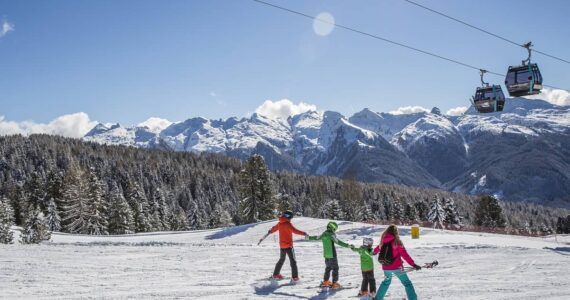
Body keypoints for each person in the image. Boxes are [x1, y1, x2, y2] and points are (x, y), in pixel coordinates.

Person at [373, 225, 422, 300]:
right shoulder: (397, 242)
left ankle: (378, 298)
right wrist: (413, 265)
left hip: (386, 267)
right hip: (397, 267)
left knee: (386, 282)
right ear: (396, 232)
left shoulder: (383, 241)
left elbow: (375, 251)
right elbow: (405, 255)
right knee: (407, 283)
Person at [266, 210, 307, 282]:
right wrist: (304, 233)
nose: (290, 219)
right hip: (288, 246)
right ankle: (295, 278)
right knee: (293, 261)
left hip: (282, 246)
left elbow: (274, 229)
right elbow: (295, 231)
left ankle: (275, 274)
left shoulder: (280, 223)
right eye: (290, 218)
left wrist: (270, 231)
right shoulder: (288, 224)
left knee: (281, 259)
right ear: (289, 217)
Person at [306, 221, 350, 289]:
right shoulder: (331, 235)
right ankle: (334, 283)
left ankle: (325, 281)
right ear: (333, 228)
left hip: (326, 255)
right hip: (332, 254)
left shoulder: (324, 234)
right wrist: (348, 245)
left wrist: (308, 237)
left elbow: (316, 237)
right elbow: (338, 242)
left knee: (328, 268)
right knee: (335, 268)